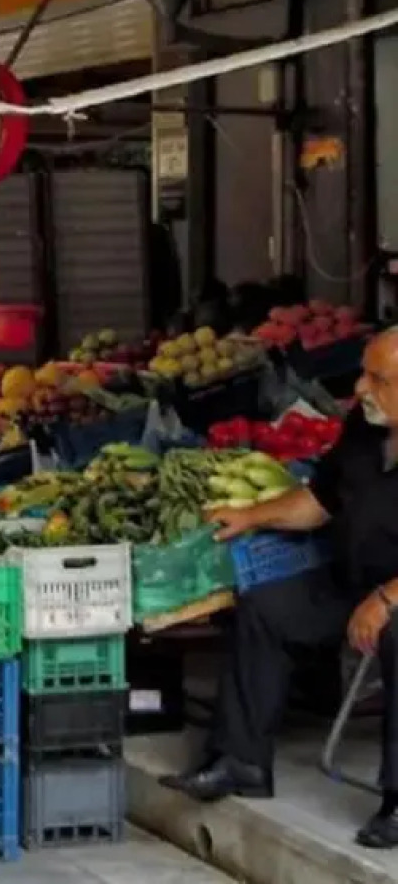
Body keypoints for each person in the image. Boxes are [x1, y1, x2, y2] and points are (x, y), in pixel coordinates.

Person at [161, 329, 398, 849]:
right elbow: (319, 499)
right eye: (363, 371)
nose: (360, 386)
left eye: (377, 378)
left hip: (392, 597)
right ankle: (240, 760)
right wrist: (249, 516)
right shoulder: (365, 427)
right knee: (268, 606)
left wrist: (386, 600)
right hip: (356, 583)